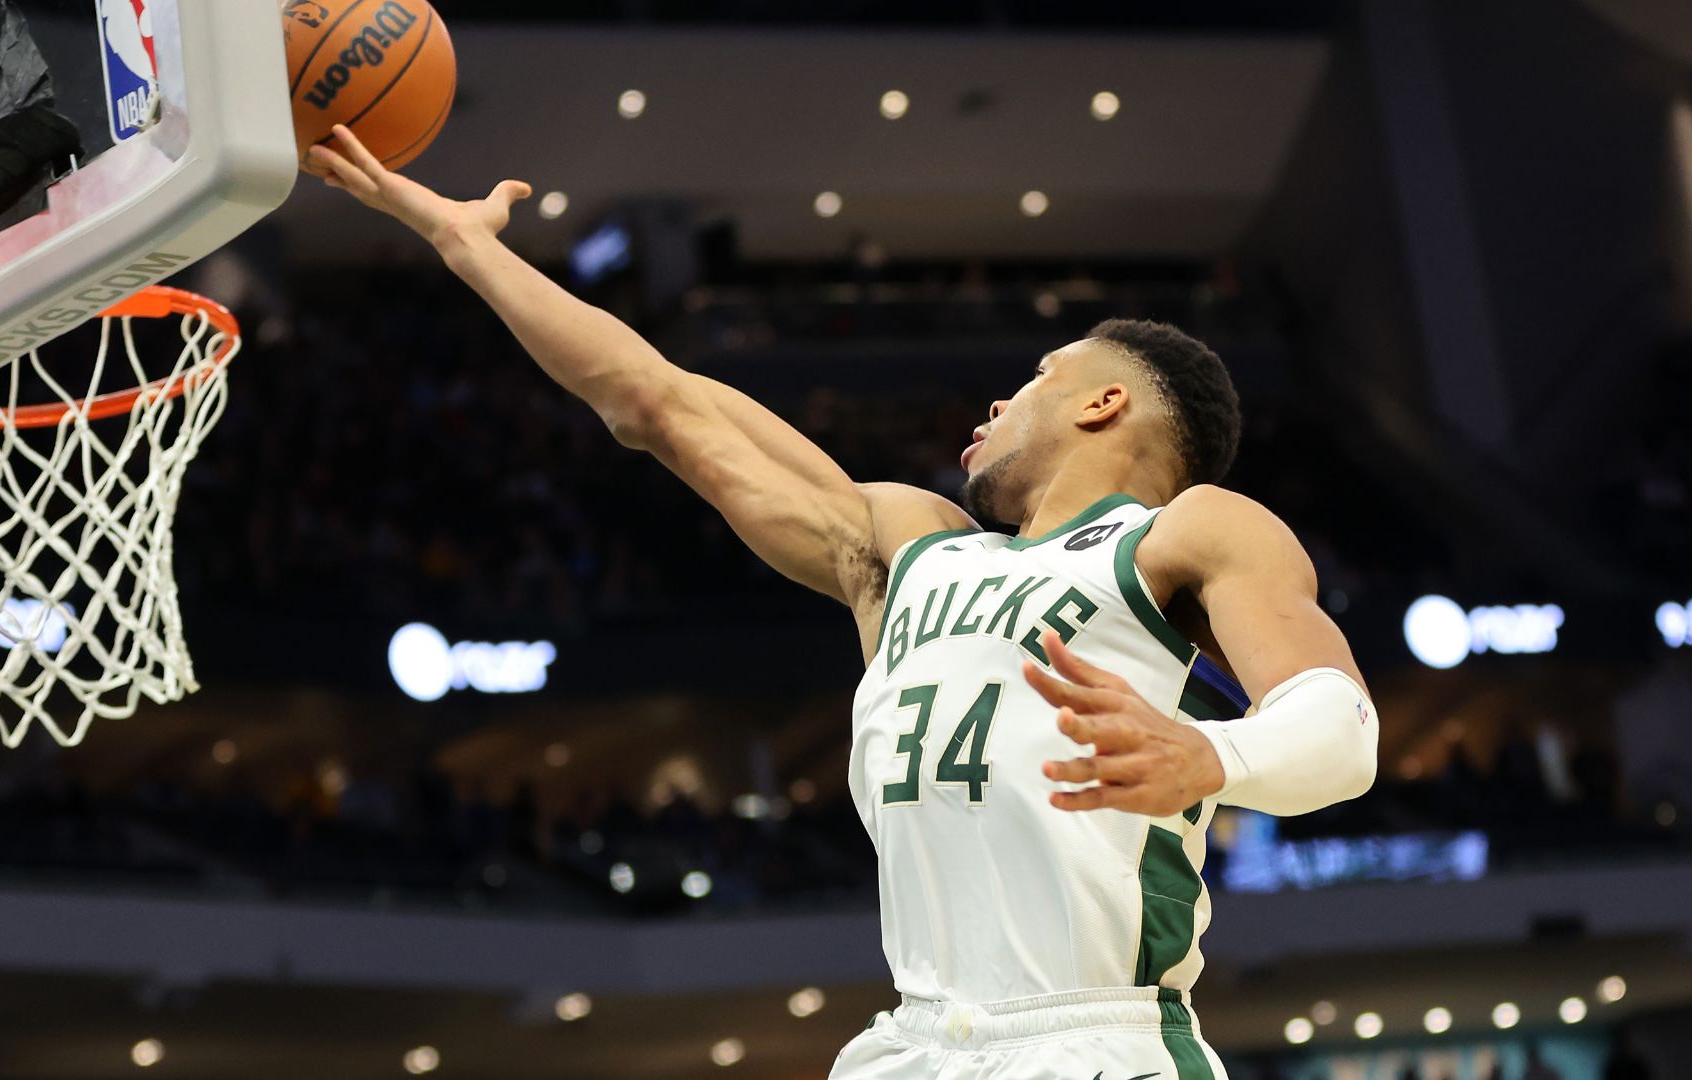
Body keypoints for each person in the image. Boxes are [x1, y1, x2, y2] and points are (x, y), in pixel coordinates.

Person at [309, 126, 1380, 1080]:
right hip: (914, 1043)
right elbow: (656, 402)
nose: (998, 399)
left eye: (1037, 377)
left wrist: (1216, 758)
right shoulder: (905, 544)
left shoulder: (1187, 534)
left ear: (1107, 402)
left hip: (1099, 1038)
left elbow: (1342, 728)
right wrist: (468, 248)